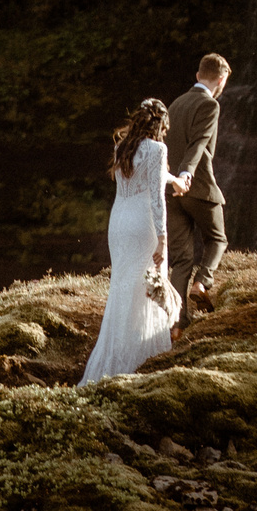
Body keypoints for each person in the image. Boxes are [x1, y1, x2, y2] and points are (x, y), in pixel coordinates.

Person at [82, 98, 188, 383]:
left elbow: (145, 176)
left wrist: (173, 179)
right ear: (161, 125)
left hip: (118, 223)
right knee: (147, 289)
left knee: (123, 289)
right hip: (143, 224)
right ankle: (141, 357)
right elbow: (156, 198)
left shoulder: (123, 147)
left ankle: (116, 355)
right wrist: (163, 240)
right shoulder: (158, 149)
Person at [167, 53, 232, 313]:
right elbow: (198, 143)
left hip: (171, 190)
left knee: (181, 260)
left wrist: (173, 179)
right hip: (196, 185)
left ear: (197, 76)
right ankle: (202, 283)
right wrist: (187, 173)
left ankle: (177, 324)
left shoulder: (176, 104)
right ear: (221, 78)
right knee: (217, 239)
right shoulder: (210, 105)